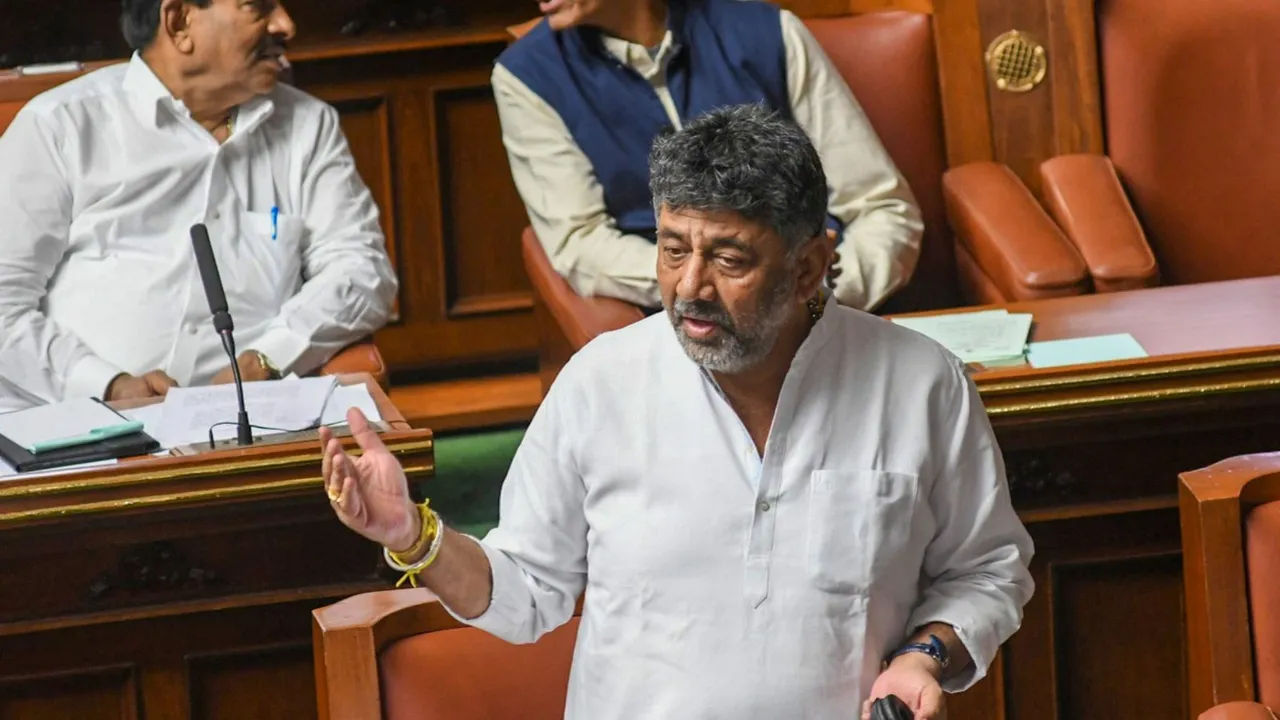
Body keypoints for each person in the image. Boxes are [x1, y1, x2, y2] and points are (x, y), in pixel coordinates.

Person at [321, 105, 1032, 719]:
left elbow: (987, 569)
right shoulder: (602, 383)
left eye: (729, 259)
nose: (689, 286)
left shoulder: (921, 383)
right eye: (671, 249)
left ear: (810, 267)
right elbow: (523, 596)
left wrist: (922, 657)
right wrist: (414, 535)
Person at [0, 0, 397, 412]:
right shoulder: (61, 126)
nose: (286, 25)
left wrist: (267, 360)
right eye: (258, 8)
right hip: (72, 427)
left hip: (250, 424)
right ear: (179, 22)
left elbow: (362, 270)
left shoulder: (307, 128)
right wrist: (109, 385)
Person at [493, 0, 924, 312]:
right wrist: (721, 290)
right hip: (678, 325)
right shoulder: (527, 77)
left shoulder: (770, 32)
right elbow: (581, 243)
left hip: (824, 297)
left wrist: (825, 297)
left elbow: (882, 206)